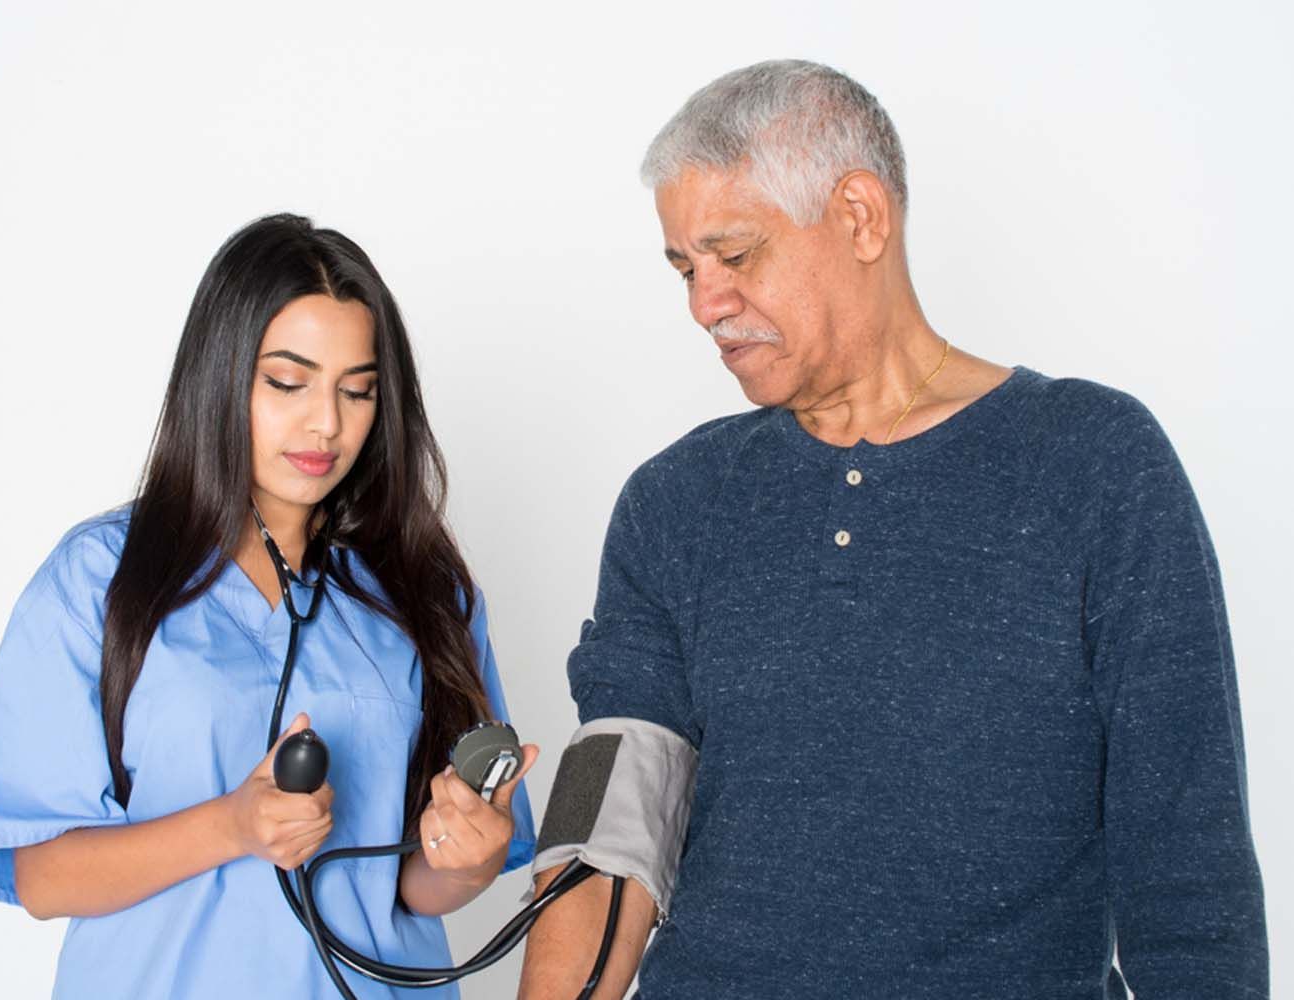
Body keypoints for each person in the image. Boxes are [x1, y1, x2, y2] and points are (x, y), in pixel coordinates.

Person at [518, 60, 1267, 998]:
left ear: (860, 215)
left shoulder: (1093, 463)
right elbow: (606, 818)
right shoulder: (675, 500)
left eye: (735, 255)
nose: (703, 303)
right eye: (684, 268)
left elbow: (1186, 864)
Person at [0, 213, 537, 999]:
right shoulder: (99, 578)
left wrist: (464, 861)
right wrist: (231, 825)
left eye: (357, 390)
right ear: (220, 374)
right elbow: (39, 876)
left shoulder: (422, 593)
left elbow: (409, 889)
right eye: (288, 382)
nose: (326, 423)